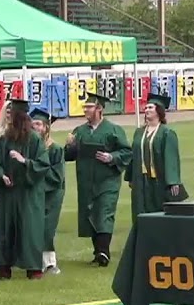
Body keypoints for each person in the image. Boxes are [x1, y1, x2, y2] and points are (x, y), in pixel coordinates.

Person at [64, 93, 130, 267]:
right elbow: (68, 156)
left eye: (89, 107)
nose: (85, 110)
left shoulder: (114, 130)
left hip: (107, 180)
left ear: (99, 109)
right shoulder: (80, 131)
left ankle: (103, 252)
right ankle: (97, 252)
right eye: (85, 107)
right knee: (91, 214)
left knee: (104, 213)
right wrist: (70, 145)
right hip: (86, 181)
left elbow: (127, 152)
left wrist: (111, 157)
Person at [0, 100, 49, 280]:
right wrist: (1, 176)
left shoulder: (35, 139)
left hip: (28, 193)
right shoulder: (5, 139)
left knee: (29, 229)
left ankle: (33, 268)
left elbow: (43, 165)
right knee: (5, 229)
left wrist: (24, 161)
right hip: (8, 192)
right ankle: (3, 267)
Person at [125, 94, 182, 226]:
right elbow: (134, 154)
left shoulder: (166, 133)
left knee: (158, 210)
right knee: (140, 209)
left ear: (159, 111)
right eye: (146, 108)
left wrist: (173, 181)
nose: (147, 110)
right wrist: (130, 177)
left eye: (150, 107)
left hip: (158, 180)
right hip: (141, 179)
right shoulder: (139, 132)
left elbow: (171, 158)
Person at [30, 109, 66, 274]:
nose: (34, 127)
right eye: (33, 124)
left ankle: (50, 262)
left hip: (51, 194)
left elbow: (56, 176)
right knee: (34, 227)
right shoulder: (30, 147)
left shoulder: (55, 149)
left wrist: (36, 174)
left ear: (46, 127)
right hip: (33, 194)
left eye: (38, 124)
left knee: (47, 228)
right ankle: (35, 261)